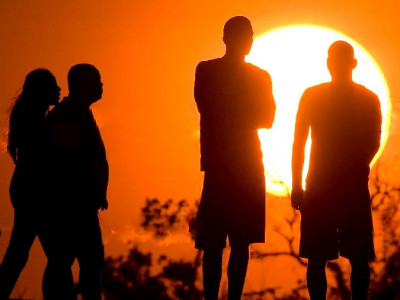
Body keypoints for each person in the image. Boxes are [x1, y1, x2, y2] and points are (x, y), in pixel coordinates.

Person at [192, 16, 276, 300]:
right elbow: (207, 107)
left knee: (240, 241)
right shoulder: (207, 70)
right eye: (244, 35)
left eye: (250, 35)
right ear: (226, 38)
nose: (248, 41)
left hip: (247, 164)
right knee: (215, 243)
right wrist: (242, 111)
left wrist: (230, 110)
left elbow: (267, 118)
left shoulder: (259, 75)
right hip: (221, 166)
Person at [291, 41, 382, 300]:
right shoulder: (363, 98)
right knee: (325, 257)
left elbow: (372, 143)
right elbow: (299, 142)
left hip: (335, 185)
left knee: (352, 257)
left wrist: (299, 184)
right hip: (329, 185)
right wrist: (297, 184)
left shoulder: (366, 99)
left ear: (350, 64)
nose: (337, 65)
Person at [42, 64, 108, 300]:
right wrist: (89, 192)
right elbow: (68, 162)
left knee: (88, 260)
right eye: (97, 81)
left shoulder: (80, 112)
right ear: (82, 85)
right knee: (65, 260)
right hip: (72, 204)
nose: (101, 85)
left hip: (85, 202)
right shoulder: (67, 115)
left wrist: (100, 192)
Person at [0, 69, 60, 300]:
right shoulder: (35, 121)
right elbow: (43, 159)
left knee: (19, 252)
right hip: (33, 189)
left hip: (26, 187)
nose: (58, 90)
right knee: (56, 255)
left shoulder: (30, 116)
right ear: (42, 90)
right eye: (53, 86)